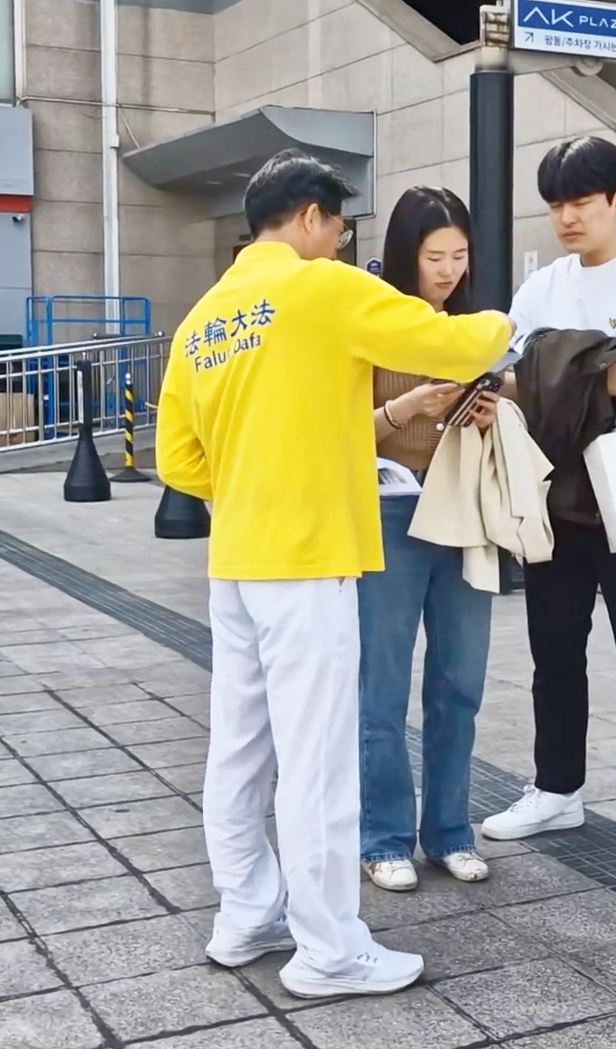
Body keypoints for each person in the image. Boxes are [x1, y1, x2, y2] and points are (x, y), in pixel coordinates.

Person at [155, 150, 513, 999]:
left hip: (238, 560)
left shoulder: (206, 316)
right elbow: (451, 339)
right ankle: (329, 948)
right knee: (316, 759)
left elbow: (177, 459)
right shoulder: (319, 287)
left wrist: (255, 482)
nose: (343, 243)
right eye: (341, 228)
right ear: (312, 217)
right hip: (309, 557)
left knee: (240, 749)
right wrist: (509, 322)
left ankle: (246, 913)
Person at [483, 137, 616, 877]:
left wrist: (554, 364)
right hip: (553, 492)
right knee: (553, 658)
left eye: (581, 201)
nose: (567, 218)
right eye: (556, 205)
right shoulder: (542, 286)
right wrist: (598, 358)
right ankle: (556, 789)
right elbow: (505, 375)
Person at [360, 187, 499, 894]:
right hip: (389, 510)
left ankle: (449, 831)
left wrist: (489, 411)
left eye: (459, 256)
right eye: (433, 256)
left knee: (459, 684)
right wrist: (404, 406)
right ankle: (383, 837)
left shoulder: (470, 329)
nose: (448, 270)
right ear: (405, 255)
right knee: (380, 687)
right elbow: (339, 431)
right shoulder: (369, 326)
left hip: (463, 511)